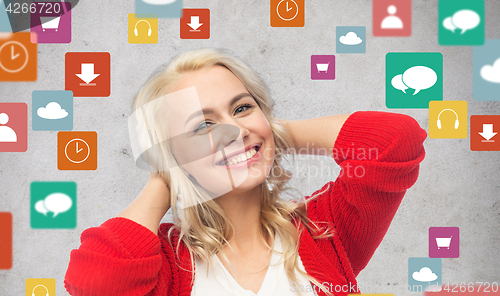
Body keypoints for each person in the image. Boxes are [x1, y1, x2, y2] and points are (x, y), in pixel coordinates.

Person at [64, 48, 427, 296]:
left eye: (241, 108)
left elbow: (395, 143)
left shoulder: (325, 232)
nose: (234, 130)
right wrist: (166, 171)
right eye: (203, 125)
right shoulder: (163, 264)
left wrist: (268, 133)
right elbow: (94, 283)